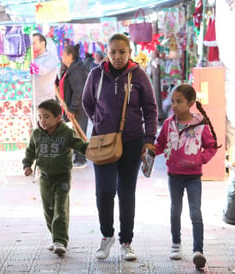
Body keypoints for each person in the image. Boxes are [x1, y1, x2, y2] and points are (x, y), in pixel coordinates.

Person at [82, 33, 158, 261]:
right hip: (103, 142)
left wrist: (149, 139)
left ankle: (126, 242)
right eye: (113, 52)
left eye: (122, 52)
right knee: (104, 192)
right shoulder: (96, 74)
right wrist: (99, 121)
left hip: (132, 142)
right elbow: (87, 103)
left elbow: (150, 108)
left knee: (126, 193)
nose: (117, 56)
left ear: (130, 53)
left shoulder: (139, 75)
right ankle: (107, 236)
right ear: (107, 52)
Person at [150, 83, 220, 269]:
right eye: (173, 101)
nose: (174, 105)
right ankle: (176, 244)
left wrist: (200, 159)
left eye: (179, 102)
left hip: (193, 177)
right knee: (175, 210)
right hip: (174, 176)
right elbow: (160, 144)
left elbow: (211, 146)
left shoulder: (200, 123)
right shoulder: (168, 124)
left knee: (195, 212)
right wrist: (149, 152)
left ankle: (198, 250)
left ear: (190, 103)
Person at [22, 99, 88, 257]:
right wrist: (27, 165)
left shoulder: (66, 132)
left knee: (60, 208)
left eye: (46, 117)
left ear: (58, 118)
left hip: (62, 177)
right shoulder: (36, 134)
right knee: (48, 209)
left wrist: (94, 151)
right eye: (39, 117)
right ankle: (55, 236)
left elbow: (80, 144)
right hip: (44, 177)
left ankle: (60, 241)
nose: (42, 121)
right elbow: (30, 151)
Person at [58, 43, 89, 168]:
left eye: (63, 55)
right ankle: (77, 156)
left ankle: (81, 158)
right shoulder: (71, 68)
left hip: (78, 108)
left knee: (79, 132)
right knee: (74, 132)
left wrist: (72, 107)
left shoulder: (76, 71)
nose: (62, 58)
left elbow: (79, 91)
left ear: (70, 56)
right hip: (73, 106)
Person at [32, 33, 59, 107]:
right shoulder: (34, 59)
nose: (32, 46)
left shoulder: (50, 58)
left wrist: (31, 64)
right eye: (31, 44)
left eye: (34, 43)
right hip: (34, 100)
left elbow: (42, 71)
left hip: (46, 101)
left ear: (43, 43)